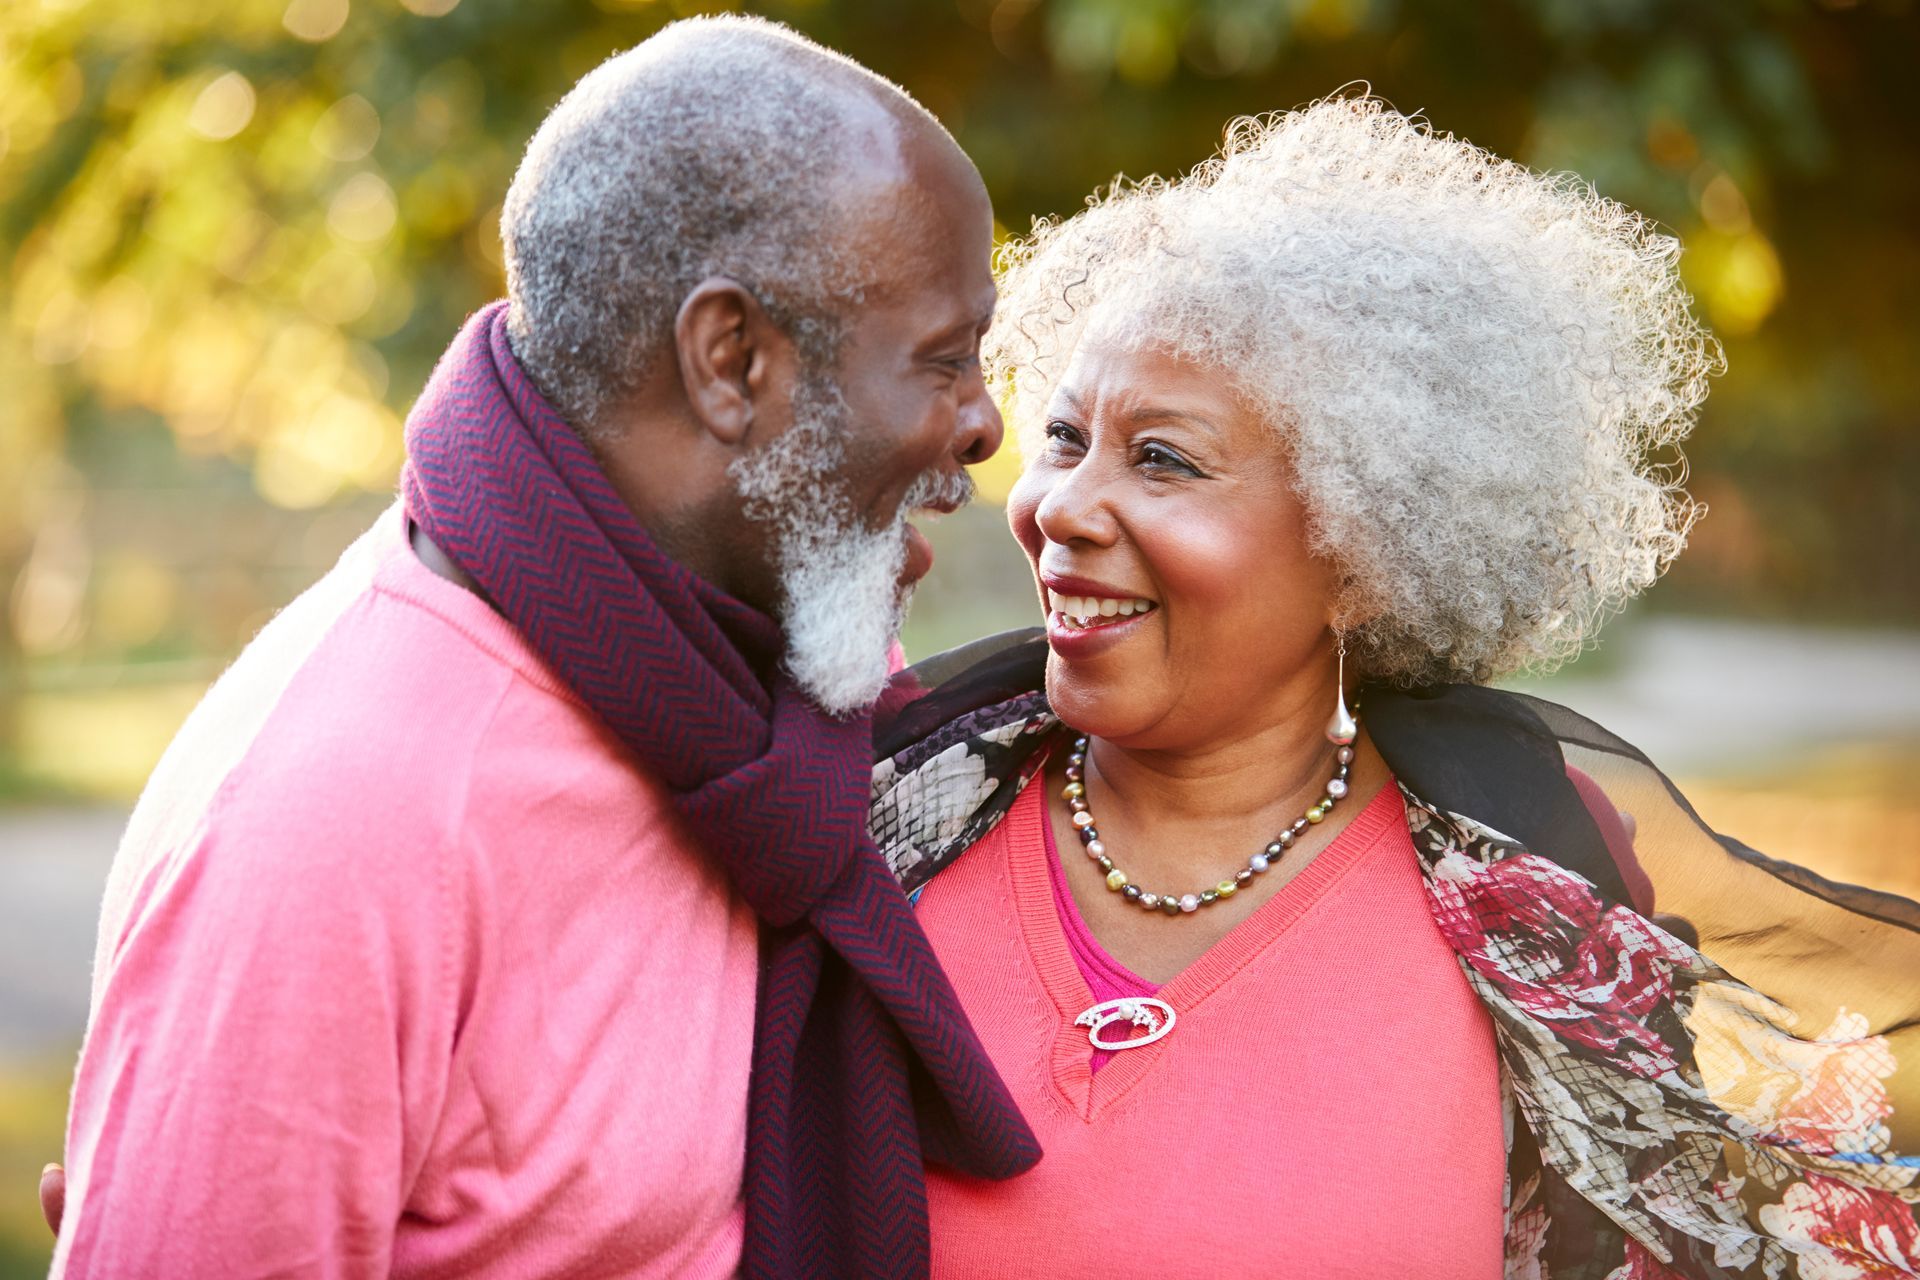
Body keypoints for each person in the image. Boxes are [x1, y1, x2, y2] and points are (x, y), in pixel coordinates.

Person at [47, 16, 1036, 1278]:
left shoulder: (739, 716)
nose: (984, 423)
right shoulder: (346, 819)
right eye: (941, 361)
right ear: (731, 361)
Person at [867, 98, 1920, 1278]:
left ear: (1366, 551)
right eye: (1064, 437)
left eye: (1162, 456)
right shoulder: (878, 818)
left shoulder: (1532, 877)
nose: (1059, 505)